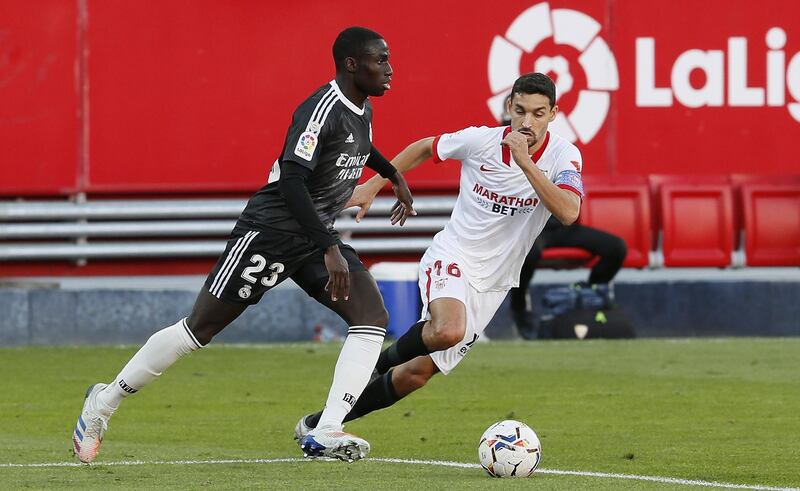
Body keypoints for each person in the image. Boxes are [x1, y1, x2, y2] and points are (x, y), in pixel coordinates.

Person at [72, 26, 415, 464]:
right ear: (352, 64)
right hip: (271, 232)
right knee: (199, 330)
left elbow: (360, 147)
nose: (390, 69)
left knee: (371, 318)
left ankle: (327, 428)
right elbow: (292, 179)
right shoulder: (319, 109)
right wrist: (330, 245)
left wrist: (394, 175)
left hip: (313, 237)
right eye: (380, 59)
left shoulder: (360, 107)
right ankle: (103, 402)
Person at [294, 72, 583, 441]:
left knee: (415, 374)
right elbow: (426, 147)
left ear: (553, 114)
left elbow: (569, 212)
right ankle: (373, 364)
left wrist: (525, 163)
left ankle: (320, 423)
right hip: (453, 255)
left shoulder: (564, 156)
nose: (527, 122)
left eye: (539, 114)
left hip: (494, 282)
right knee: (448, 329)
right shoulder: (479, 140)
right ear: (509, 107)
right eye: (521, 110)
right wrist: (374, 183)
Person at [509, 215, 627, 338]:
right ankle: (519, 309)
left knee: (616, 247)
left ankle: (592, 296)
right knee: (527, 255)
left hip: (563, 226)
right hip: (532, 230)